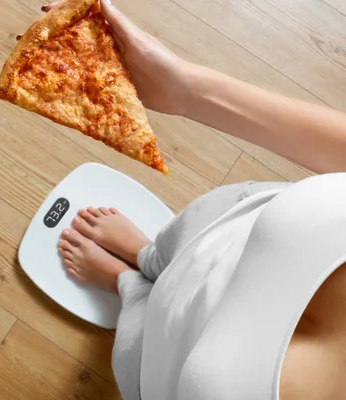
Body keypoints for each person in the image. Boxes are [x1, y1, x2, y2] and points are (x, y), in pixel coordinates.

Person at [41, 1, 346, 399]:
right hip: (229, 229)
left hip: (160, 359)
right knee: (177, 239)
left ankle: (128, 283)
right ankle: (147, 256)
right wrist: (182, 89)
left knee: (138, 327)